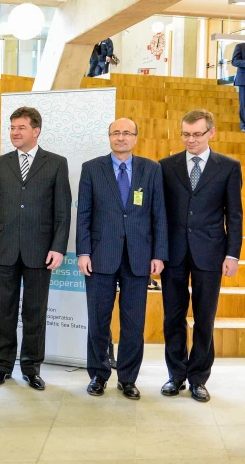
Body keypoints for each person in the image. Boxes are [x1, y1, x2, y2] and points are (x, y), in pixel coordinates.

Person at [0, 107, 71, 390]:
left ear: (36, 130)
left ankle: (31, 368)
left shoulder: (56, 163)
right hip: (5, 248)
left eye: (20, 127)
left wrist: (58, 247)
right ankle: (2, 365)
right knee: (3, 311)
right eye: (12, 127)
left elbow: (62, 211)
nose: (14, 133)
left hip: (40, 250)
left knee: (34, 311)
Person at [77, 118, 168, 400]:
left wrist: (159, 254)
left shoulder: (152, 169)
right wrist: (83, 252)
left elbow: (159, 214)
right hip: (100, 256)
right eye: (116, 133)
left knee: (133, 323)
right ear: (109, 137)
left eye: (127, 133)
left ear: (136, 138)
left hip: (139, 258)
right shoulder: (92, 168)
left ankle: (128, 378)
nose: (121, 137)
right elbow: (84, 214)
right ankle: (98, 375)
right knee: (98, 320)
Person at [160, 109, 242, 402]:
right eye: (185, 134)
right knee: (173, 317)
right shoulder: (166, 166)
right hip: (173, 253)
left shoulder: (229, 167)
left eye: (196, 134)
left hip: (211, 252)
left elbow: (234, 214)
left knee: (205, 318)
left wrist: (233, 254)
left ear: (211, 132)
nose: (190, 140)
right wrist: (158, 251)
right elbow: (159, 214)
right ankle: (176, 375)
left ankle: (198, 378)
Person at [230, 28, 245, 132]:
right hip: (244, 80)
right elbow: (234, 61)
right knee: (244, 104)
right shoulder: (241, 46)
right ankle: (244, 126)